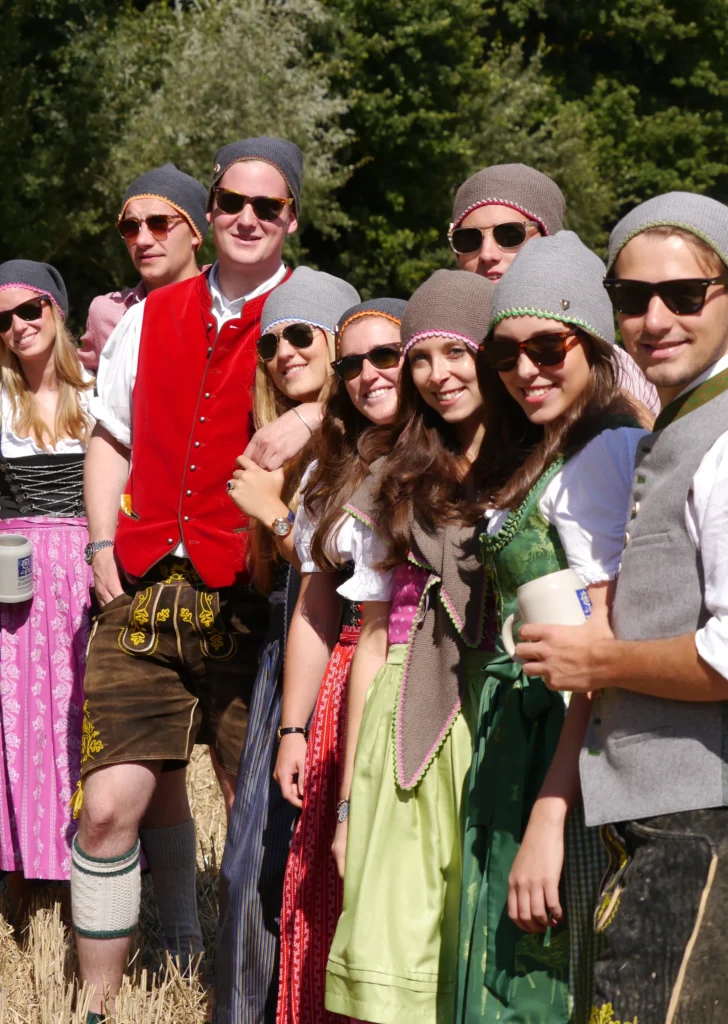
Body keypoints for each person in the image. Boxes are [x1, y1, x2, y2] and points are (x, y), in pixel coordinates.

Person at [514, 194, 728, 1024]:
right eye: (631, 297)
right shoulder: (692, 424)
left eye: (684, 295)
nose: (655, 319)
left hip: (717, 816)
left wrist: (597, 660)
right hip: (676, 813)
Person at [70, 135, 304, 1024]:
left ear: (290, 219)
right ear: (210, 212)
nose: (247, 218)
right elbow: (111, 436)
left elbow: (372, 403)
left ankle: (255, 996)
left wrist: (312, 413)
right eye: (232, 202)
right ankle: (96, 1007)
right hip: (141, 587)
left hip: (252, 598)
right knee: (106, 810)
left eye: (267, 206)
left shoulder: (311, 311)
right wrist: (101, 546)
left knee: (256, 815)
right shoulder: (150, 315)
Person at [456, 232, 646, 1024]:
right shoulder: (551, 447)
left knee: (546, 984)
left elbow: (598, 658)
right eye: (505, 354)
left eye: (547, 347)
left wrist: (551, 812)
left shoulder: (606, 453)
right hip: (524, 736)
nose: (525, 369)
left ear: (593, 344)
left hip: (565, 748)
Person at [325, 269, 495, 1024]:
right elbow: (369, 642)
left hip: (503, 711)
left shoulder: (532, 469)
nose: (436, 373)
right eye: (420, 357)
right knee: (401, 952)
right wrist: (347, 806)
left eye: (455, 351)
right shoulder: (395, 480)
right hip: (407, 723)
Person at [214, 266, 360, 1024]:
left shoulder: (356, 441)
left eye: (301, 334)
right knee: (254, 866)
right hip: (286, 656)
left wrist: (274, 515)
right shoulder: (285, 444)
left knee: (291, 863)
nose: (283, 353)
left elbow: (337, 575)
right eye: (270, 344)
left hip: (335, 658)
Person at [275, 297, 407, 1024]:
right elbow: (314, 609)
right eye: (351, 364)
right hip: (341, 689)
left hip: (417, 678)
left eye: (385, 356)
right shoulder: (331, 470)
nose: (367, 375)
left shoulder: (450, 456)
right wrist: (293, 729)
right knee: (328, 880)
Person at [0, 261, 93, 907]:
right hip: (14, 579)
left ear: (57, 310)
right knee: (16, 721)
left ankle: (86, 864)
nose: (17, 326)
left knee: (79, 716)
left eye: (29, 309)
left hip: (87, 574)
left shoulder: (102, 393)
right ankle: (20, 873)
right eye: (2, 319)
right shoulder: (1, 403)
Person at [449, 162, 660, 423]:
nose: (487, 254)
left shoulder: (608, 373)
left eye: (509, 235)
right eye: (468, 239)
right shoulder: (440, 355)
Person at [79, 163, 209, 371]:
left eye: (159, 224)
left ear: (195, 233)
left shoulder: (232, 301)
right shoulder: (108, 313)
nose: (142, 241)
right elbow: (80, 380)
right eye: (130, 227)